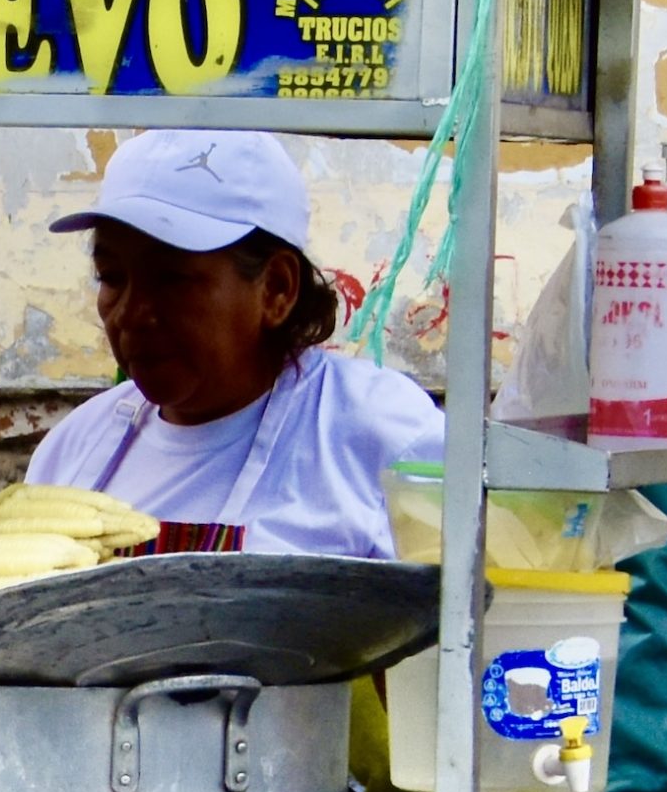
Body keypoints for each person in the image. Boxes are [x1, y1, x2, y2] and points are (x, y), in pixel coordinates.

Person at [27, 128, 444, 555]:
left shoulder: (389, 440)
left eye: (172, 280)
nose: (133, 314)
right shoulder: (71, 452)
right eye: (112, 277)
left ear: (277, 289)